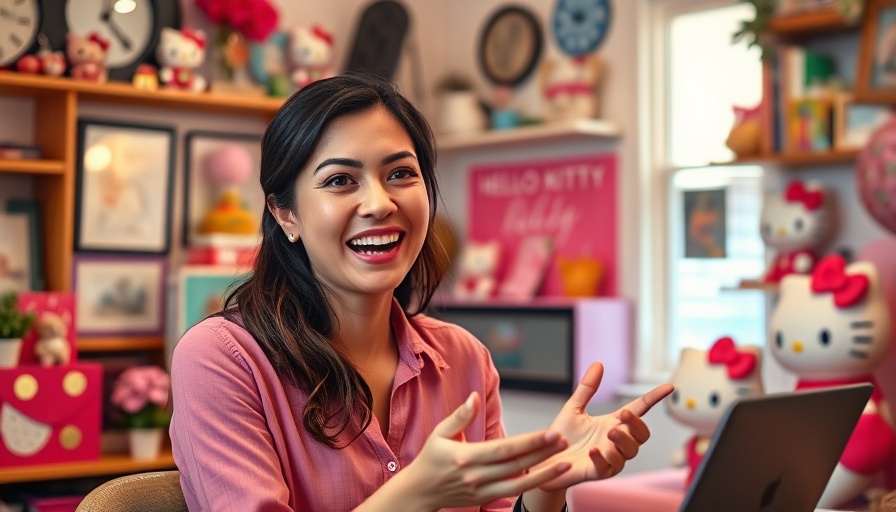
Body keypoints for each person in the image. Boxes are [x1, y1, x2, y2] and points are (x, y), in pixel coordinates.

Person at [170, 72, 673, 511]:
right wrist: (417, 493)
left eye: (400, 174)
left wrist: (547, 482)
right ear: (287, 215)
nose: (379, 202)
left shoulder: (465, 359)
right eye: (341, 180)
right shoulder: (222, 359)